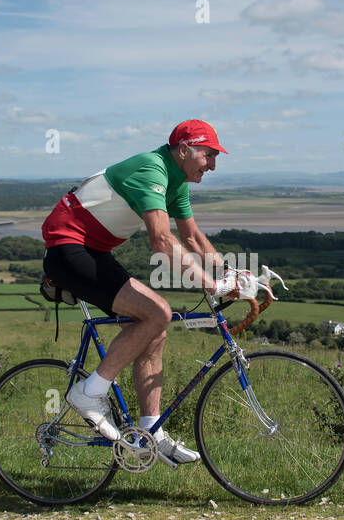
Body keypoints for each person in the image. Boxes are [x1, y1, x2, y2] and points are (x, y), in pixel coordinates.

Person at [41, 119, 230, 464]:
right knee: (157, 312)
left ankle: (151, 432)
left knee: (154, 329)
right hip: (68, 248)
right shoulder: (152, 169)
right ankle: (89, 393)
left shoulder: (176, 182)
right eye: (208, 155)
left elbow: (191, 237)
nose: (213, 165)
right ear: (185, 149)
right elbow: (161, 241)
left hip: (93, 251)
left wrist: (231, 273)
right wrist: (211, 284)